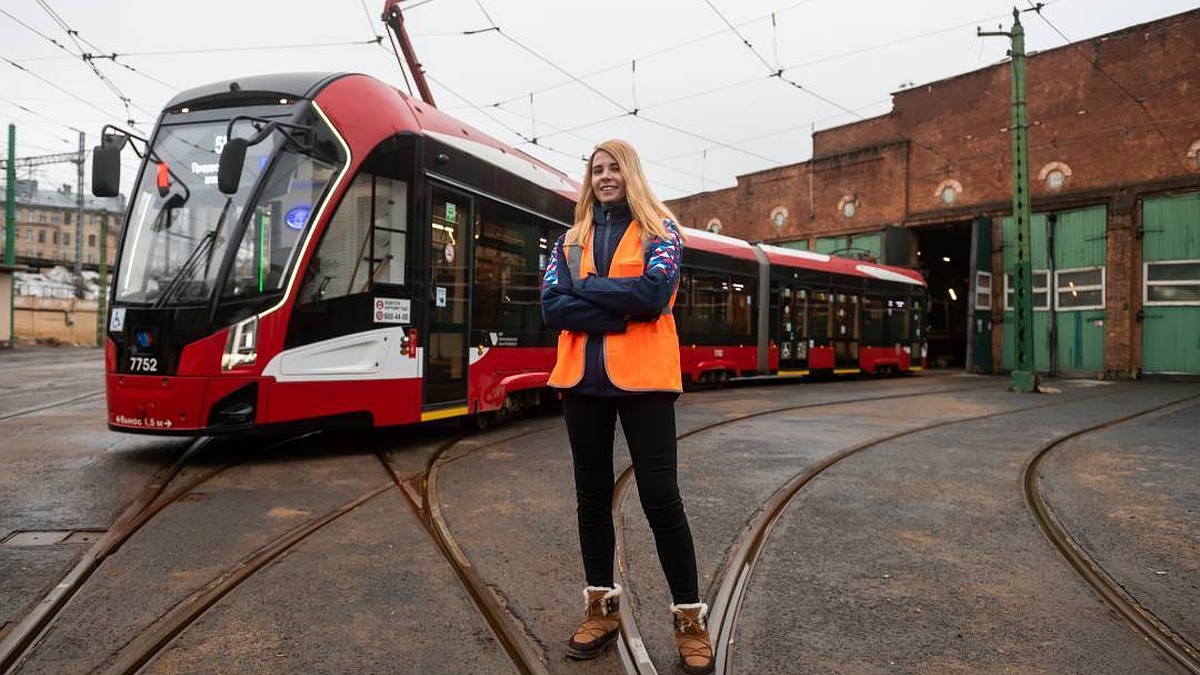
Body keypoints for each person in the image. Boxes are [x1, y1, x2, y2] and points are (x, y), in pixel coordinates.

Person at [540, 139, 713, 675]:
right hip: (581, 383)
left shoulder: (663, 230)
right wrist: (618, 310)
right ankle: (601, 611)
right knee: (590, 499)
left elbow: (655, 295)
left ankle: (690, 621)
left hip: (645, 383)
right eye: (597, 169)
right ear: (589, 178)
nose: (605, 176)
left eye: (614, 168)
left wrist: (587, 288)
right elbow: (550, 306)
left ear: (631, 173)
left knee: (662, 498)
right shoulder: (568, 240)